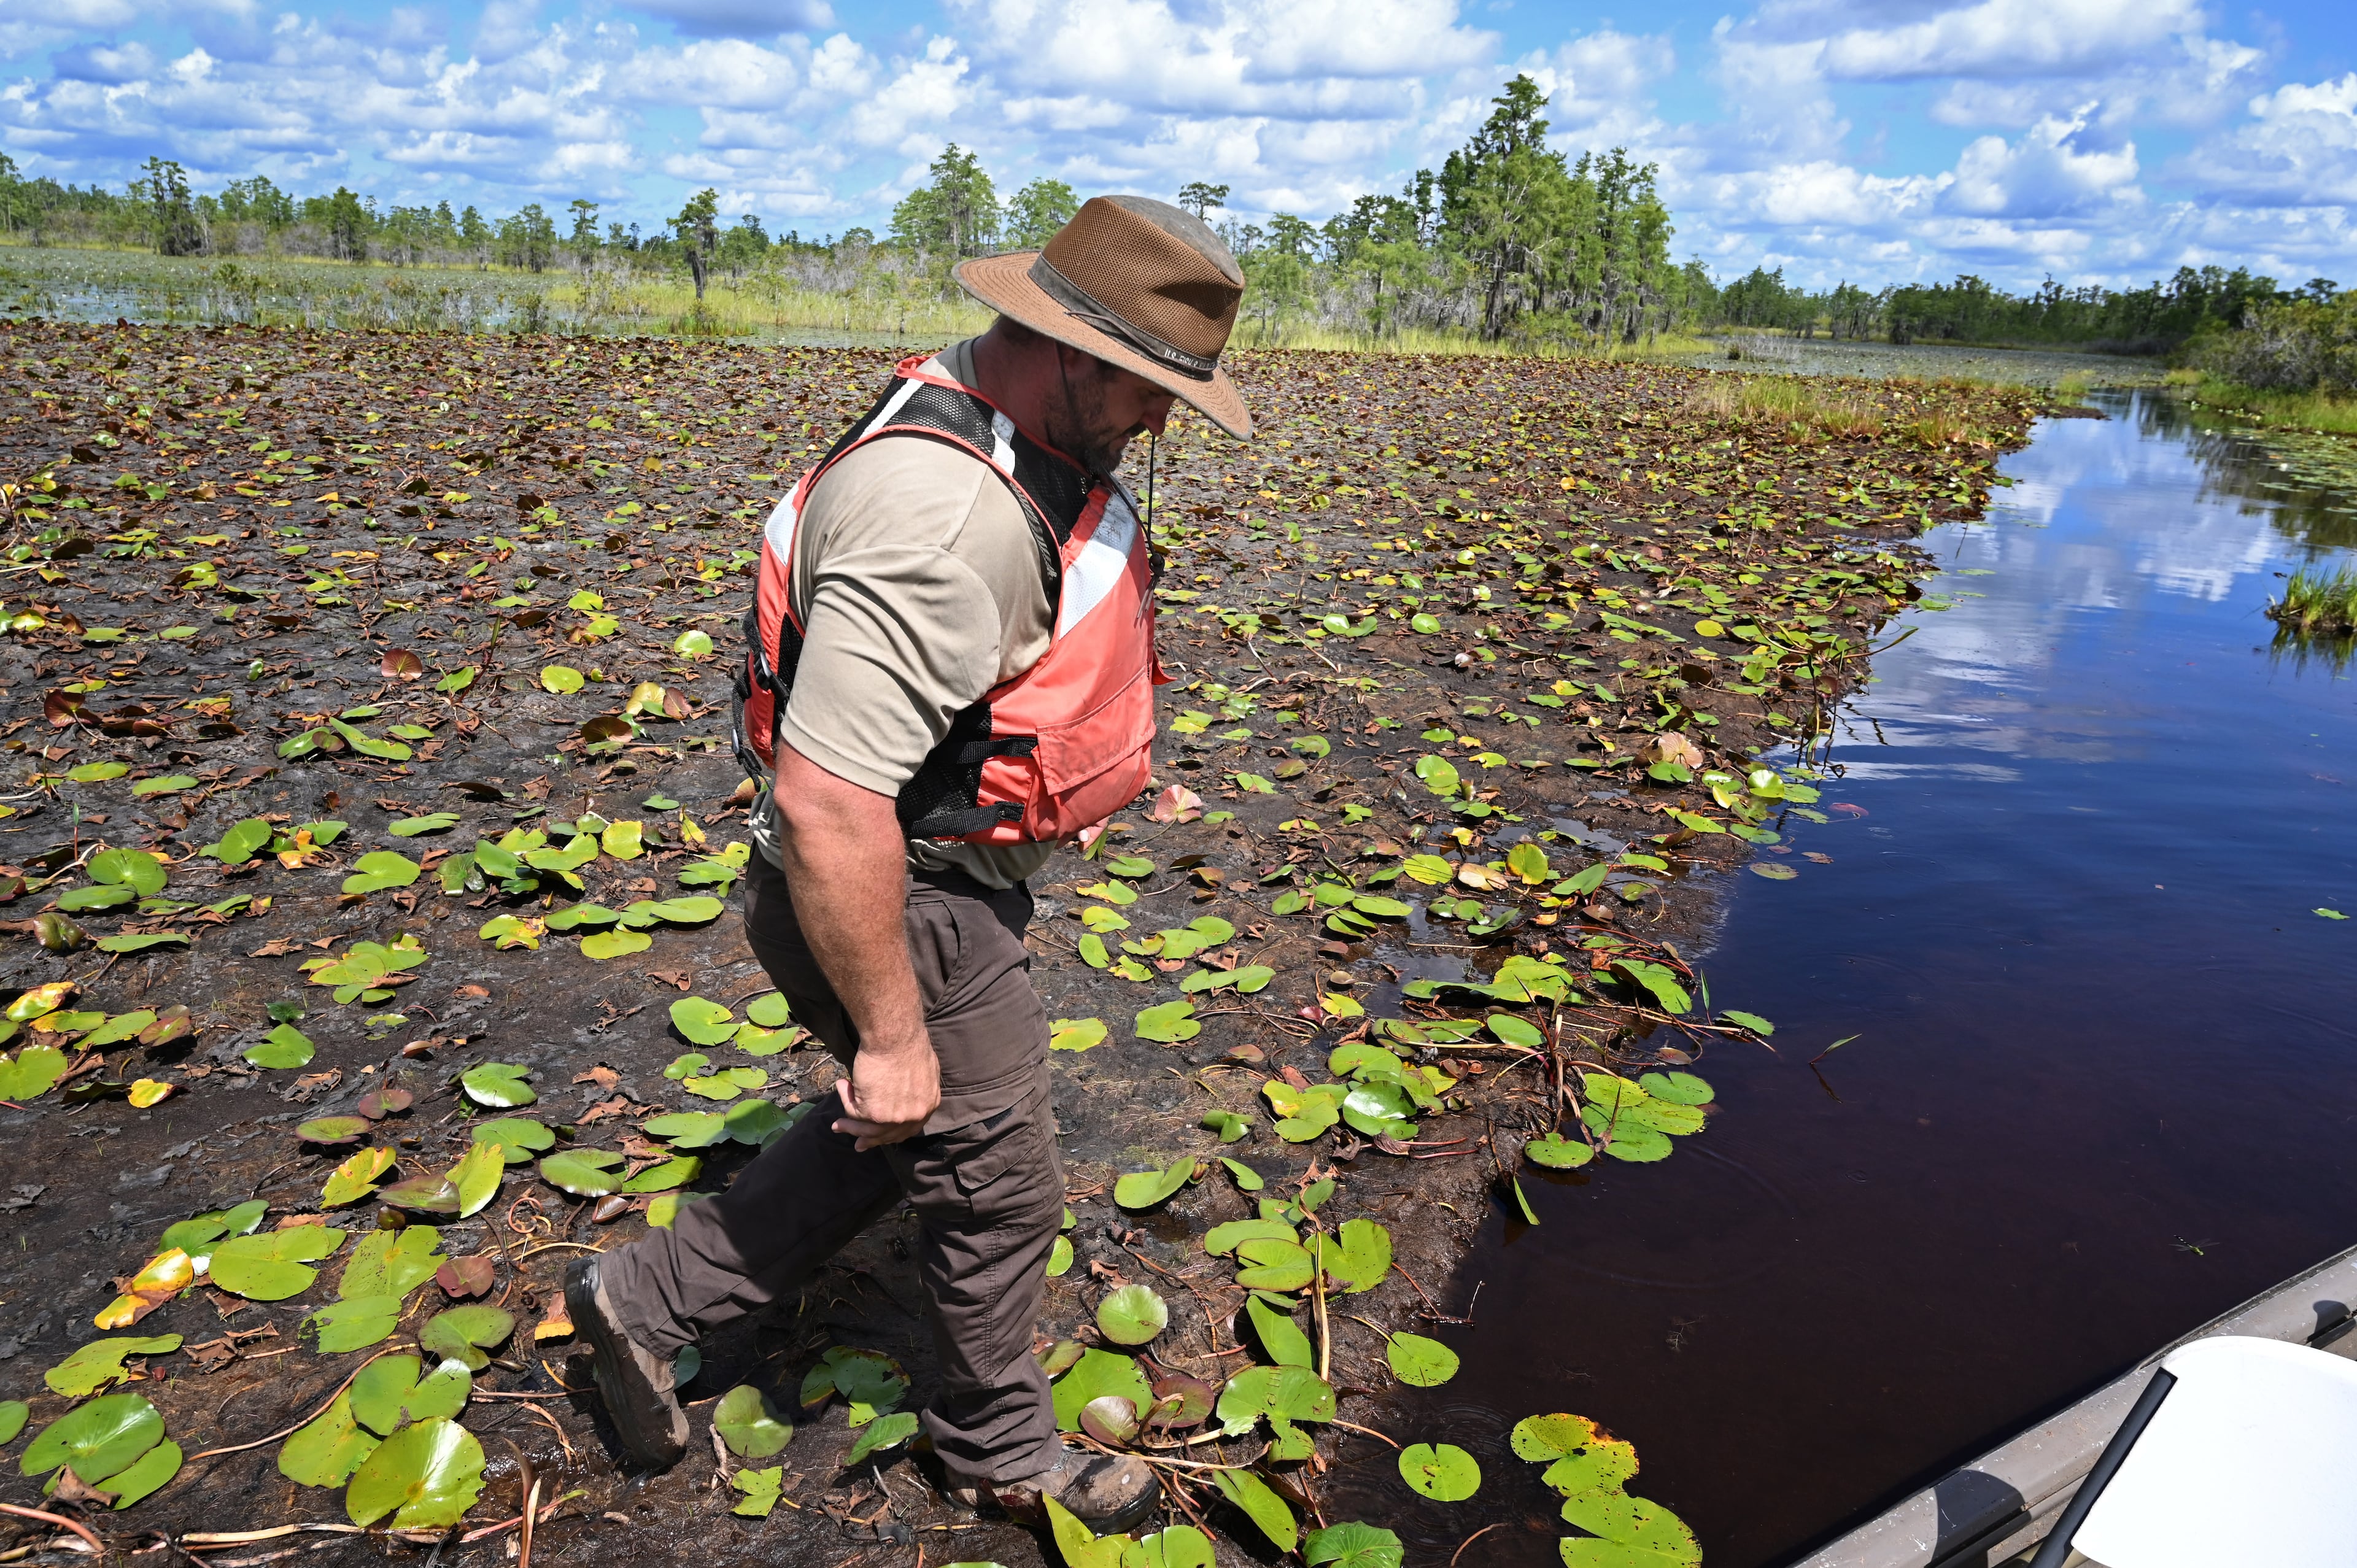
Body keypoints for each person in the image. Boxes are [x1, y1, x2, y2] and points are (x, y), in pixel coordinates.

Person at [565, 195, 1253, 1532]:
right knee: (993, 1175)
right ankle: (997, 1448)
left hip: (910, 870)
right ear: (1069, 351)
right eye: (1149, 388)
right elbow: (828, 804)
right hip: (897, 889)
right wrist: (889, 1028)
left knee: (909, 1133)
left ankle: (645, 1299)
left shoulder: (989, 418)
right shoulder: (949, 518)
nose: (1162, 422)